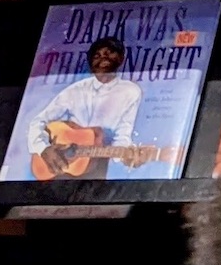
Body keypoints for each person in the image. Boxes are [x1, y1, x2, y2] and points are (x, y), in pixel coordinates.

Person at [25, 36, 144, 179]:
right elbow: (38, 122)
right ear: (90, 63)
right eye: (97, 56)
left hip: (96, 166)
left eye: (108, 53)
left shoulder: (131, 91)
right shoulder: (75, 90)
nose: (103, 59)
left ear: (120, 58)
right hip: (58, 167)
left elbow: (123, 133)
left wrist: (125, 156)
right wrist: (43, 148)